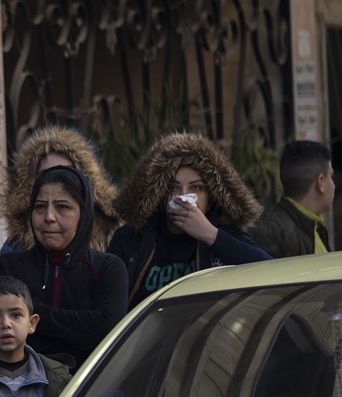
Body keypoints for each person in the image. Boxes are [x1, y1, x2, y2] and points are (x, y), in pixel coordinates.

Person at [108, 132, 269, 308]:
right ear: (160, 194)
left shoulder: (225, 233)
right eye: (173, 187)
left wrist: (211, 235)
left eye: (196, 187)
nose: (183, 196)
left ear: (210, 198)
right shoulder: (131, 238)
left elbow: (270, 270)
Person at [0, 166, 128, 368]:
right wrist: (81, 328)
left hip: (86, 392)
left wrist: (34, 311)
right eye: (39, 207)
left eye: (62, 207)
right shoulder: (8, 267)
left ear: (83, 215)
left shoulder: (107, 268)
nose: (49, 217)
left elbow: (106, 331)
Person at [0, 126, 120, 253]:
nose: (56, 182)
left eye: (67, 174)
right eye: (46, 175)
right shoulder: (15, 250)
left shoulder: (112, 239)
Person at [250, 139, 335, 258]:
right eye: (331, 177)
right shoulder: (271, 232)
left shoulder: (315, 227)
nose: (333, 185)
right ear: (320, 182)